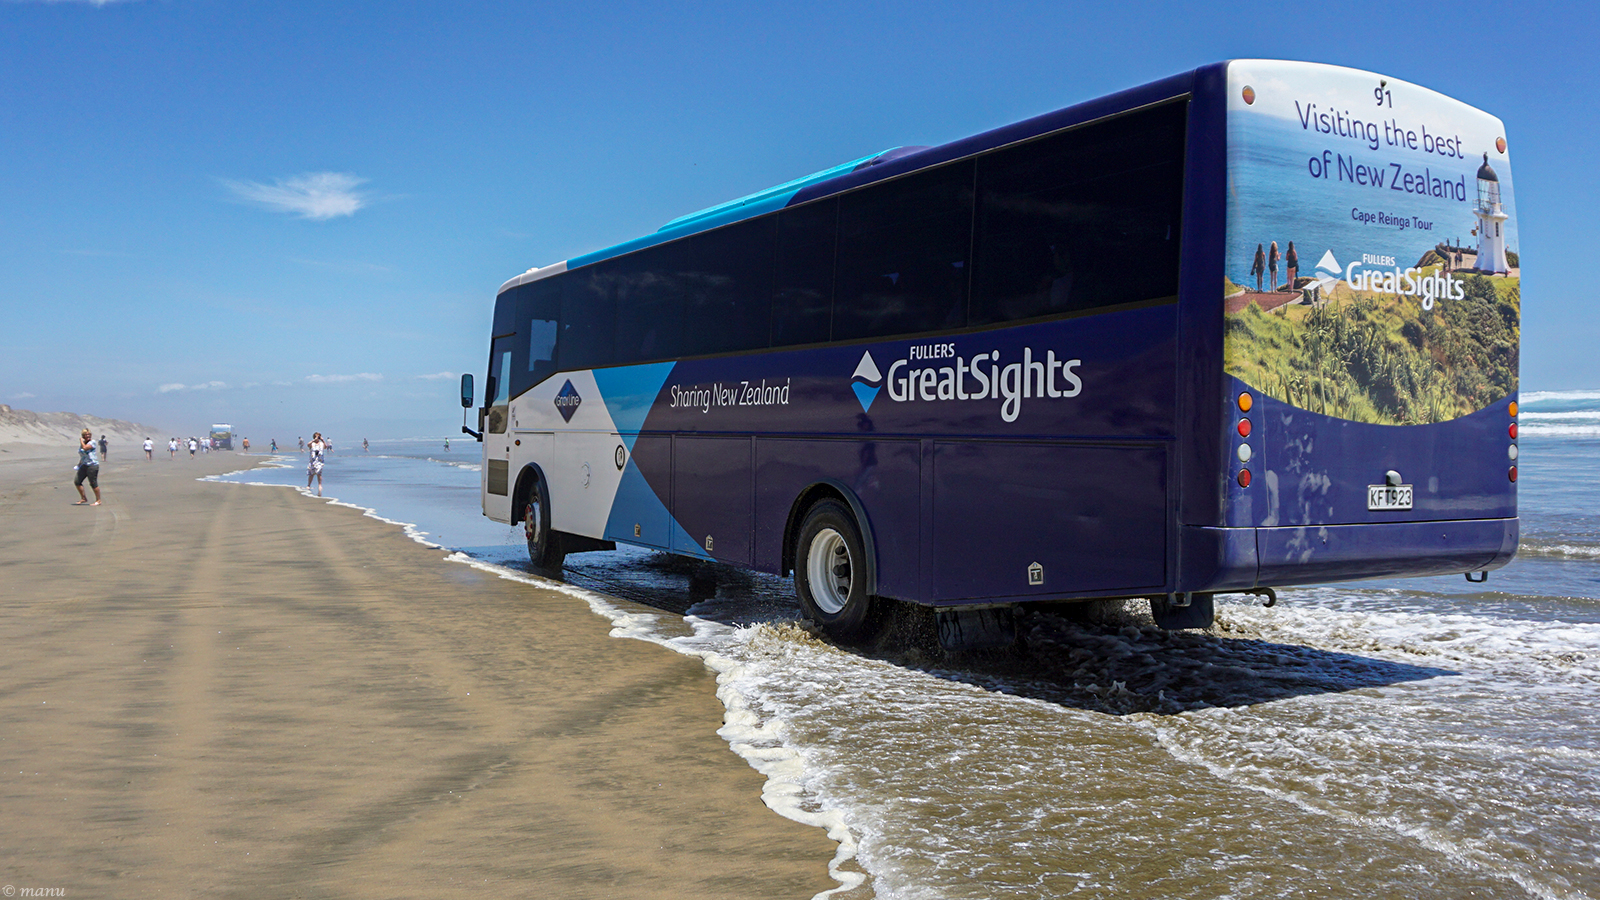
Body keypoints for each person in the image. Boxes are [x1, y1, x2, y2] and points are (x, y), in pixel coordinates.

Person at [74, 429, 101, 506]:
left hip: (92, 465)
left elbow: (85, 448)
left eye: (89, 434)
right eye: (86, 435)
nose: (88, 436)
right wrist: (79, 464)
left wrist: (81, 441)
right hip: (84, 465)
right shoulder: (83, 444)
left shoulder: (92, 442)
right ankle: (83, 498)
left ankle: (98, 500)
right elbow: (83, 456)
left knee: (93, 483)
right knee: (77, 481)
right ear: (83, 436)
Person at [306, 432, 327, 496]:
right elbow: (308, 445)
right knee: (311, 474)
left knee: (319, 473)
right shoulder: (312, 443)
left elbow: (325, 447)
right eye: (316, 436)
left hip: (319, 460)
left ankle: (320, 485)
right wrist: (313, 440)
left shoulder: (321, 443)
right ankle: (308, 485)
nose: (317, 438)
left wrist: (322, 440)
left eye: (318, 436)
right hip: (312, 460)